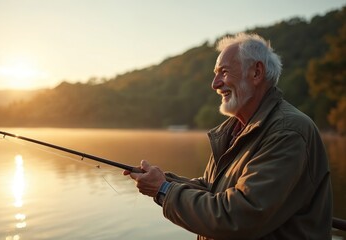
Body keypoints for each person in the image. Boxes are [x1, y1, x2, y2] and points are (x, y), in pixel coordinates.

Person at [123, 33, 333, 239]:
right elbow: (211, 189)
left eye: (223, 72)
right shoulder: (234, 129)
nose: (215, 84)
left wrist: (164, 190)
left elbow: (239, 216)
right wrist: (163, 179)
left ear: (256, 73)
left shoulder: (288, 132)